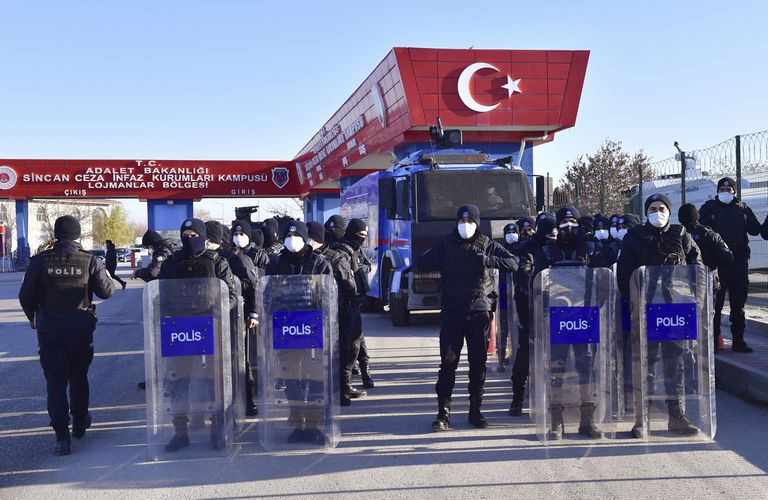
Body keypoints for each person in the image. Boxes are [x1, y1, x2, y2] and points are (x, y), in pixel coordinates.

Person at [19, 215, 115, 455]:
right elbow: (107, 292)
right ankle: (80, 422)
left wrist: (35, 318)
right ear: (78, 235)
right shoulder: (89, 260)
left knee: (56, 383)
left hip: (49, 330)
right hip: (80, 329)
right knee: (78, 377)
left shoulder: (40, 261)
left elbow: (25, 296)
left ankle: (62, 438)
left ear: (56, 234)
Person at [417, 205, 517, 431]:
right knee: (448, 364)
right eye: (462, 221)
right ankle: (443, 414)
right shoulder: (447, 243)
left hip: (478, 312)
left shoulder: (486, 243)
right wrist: (443, 261)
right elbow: (421, 262)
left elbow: (513, 263)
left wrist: (489, 260)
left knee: (478, 364)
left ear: (477, 223)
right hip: (453, 310)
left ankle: (476, 412)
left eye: (470, 221)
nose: (465, 225)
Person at [617, 193, 703, 438]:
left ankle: (677, 416)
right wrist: (633, 301)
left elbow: (697, 267)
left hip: (676, 310)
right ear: (646, 212)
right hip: (646, 310)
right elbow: (624, 273)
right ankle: (641, 419)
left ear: (669, 210)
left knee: (675, 363)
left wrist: (697, 299)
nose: (658, 212)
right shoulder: (634, 238)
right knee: (645, 364)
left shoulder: (682, 235)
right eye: (653, 208)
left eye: (662, 207)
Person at [517, 206, 604, 439]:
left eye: (572, 221)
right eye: (564, 222)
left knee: (586, 370)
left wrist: (598, 306)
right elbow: (534, 283)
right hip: (557, 319)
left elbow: (603, 281)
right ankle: (556, 421)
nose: (568, 226)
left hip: (585, 319)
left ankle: (588, 420)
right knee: (556, 370)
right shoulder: (546, 251)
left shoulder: (591, 247)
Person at [156, 218, 238, 452]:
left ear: (203, 237)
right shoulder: (172, 262)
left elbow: (231, 296)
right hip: (179, 333)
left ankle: (216, 430)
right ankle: (180, 432)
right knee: (178, 384)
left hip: (208, 331)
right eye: (186, 235)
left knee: (212, 384)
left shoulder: (217, 262)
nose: (189, 239)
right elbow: (160, 294)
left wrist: (216, 311)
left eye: (194, 236)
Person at [264, 220, 332, 444]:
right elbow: (267, 294)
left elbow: (329, 295)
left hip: (312, 330)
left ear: (305, 238)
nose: (292, 240)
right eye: (288, 235)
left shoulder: (319, 263)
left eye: (296, 235)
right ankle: (298, 424)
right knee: (292, 380)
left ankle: (314, 426)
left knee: (314, 380)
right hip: (285, 329)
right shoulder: (276, 263)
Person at [699, 177, 765, 353]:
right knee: (715, 305)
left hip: (739, 263)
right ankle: (714, 341)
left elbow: (755, 229)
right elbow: (699, 228)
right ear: (718, 191)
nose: (725, 193)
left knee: (738, 305)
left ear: (734, 192)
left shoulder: (742, 209)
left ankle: (738, 341)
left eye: (729, 190)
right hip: (717, 266)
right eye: (722, 190)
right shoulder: (709, 208)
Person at [307, 221, 359, 405]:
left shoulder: (335, 257)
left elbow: (348, 285)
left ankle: (339, 390)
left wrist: (351, 306)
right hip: (308, 315)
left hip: (334, 312)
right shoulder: (303, 257)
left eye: (311, 237)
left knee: (337, 354)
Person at [678, 204, 734, 352]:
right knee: (711, 314)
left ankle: (687, 346)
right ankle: (712, 345)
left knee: (686, 314)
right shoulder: (710, 235)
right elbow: (727, 257)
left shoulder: (677, 235)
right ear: (697, 216)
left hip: (682, 283)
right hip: (709, 280)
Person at [133, 229, 181, 391]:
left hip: (164, 301)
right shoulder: (175, 247)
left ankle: (156, 379)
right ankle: (175, 376)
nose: (148, 250)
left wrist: (139, 272)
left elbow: (154, 271)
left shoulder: (162, 251)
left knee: (158, 344)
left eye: (148, 247)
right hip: (177, 302)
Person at [223, 220, 260, 415]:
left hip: (241, 316)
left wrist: (253, 313)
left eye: (242, 234)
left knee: (242, 360)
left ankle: (248, 400)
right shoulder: (225, 257)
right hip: (224, 315)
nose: (238, 237)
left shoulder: (243, 259)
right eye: (235, 234)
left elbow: (252, 288)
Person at [333, 219, 373, 400]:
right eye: (360, 235)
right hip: (345, 306)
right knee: (347, 348)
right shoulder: (342, 252)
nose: (362, 239)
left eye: (364, 236)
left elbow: (365, 265)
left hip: (354, 305)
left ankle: (349, 382)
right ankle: (343, 386)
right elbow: (346, 280)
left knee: (355, 346)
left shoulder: (355, 251)